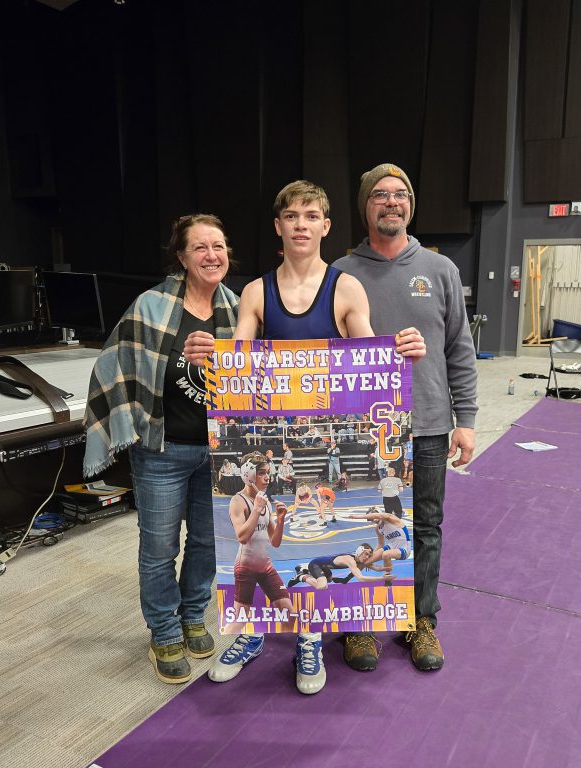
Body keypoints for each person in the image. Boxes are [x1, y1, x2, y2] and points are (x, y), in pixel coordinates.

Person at [185, 179, 424, 695]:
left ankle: (310, 637)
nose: (301, 225)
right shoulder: (256, 292)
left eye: (311, 216)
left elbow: (373, 361)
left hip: (311, 428)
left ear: (326, 226)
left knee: (304, 553)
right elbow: (236, 370)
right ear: (278, 226)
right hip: (270, 437)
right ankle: (250, 634)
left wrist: (404, 352)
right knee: (255, 552)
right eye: (291, 216)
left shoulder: (345, 288)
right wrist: (210, 356)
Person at [82, 213, 239, 684]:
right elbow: (113, 364)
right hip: (162, 450)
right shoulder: (150, 308)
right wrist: (125, 419)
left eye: (219, 246)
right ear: (182, 257)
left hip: (218, 451)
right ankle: (164, 632)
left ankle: (193, 616)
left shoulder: (240, 308)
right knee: (158, 548)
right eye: (201, 248)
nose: (212, 255)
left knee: (209, 545)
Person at [334, 163, 478, 674]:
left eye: (400, 194)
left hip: (429, 424)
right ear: (365, 206)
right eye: (380, 195)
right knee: (358, 528)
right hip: (362, 429)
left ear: (410, 205)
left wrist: (467, 419)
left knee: (426, 526)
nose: (391, 202)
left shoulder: (441, 270)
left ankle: (421, 621)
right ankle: (359, 625)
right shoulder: (340, 272)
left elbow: (460, 348)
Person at [218, 453, 295, 638]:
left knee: (289, 614)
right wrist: (257, 509)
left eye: (267, 472)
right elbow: (242, 537)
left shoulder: (264, 501)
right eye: (261, 473)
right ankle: (224, 646)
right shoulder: (238, 501)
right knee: (241, 619)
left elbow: (275, 542)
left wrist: (281, 520)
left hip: (265, 567)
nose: (267, 477)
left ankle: (283, 653)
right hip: (245, 568)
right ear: (248, 475)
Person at [350, 507, 413, 585]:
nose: (375, 520)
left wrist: (358, 517)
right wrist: (370, 558)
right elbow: (380, 544)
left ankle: (387, 579)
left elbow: (380, 516)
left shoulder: (391, 518)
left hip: (404, 548)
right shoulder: (378, 529)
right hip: (392, 546)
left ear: (379, 514)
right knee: (365, 562)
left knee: (386, 554)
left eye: (374, 517)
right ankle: (347, 579)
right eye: (372, 519)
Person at [286, 545, 386, 589]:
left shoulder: (359, 561)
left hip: (325, 567)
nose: (367, 557)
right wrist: (381, 579)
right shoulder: (350, 560)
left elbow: (377, 567)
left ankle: (305, 569)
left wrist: (388, 567)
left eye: (369, 555)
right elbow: (361, 578)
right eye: (366, 554)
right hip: (316, 564)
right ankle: (301, 576)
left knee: (329, 580)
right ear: (359, 552)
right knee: (322, 586)